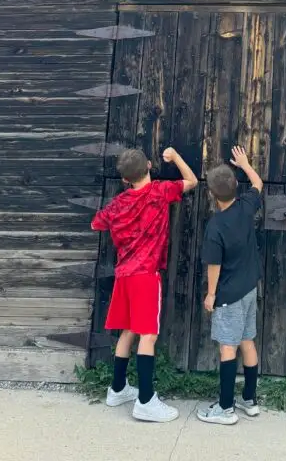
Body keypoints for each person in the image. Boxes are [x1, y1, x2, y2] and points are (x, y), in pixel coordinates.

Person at [91, 146, 198, 423]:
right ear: (149, 165)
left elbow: (96, 224)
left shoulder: (118, 204)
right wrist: (175, 158)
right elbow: (192, 181)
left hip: (124, 275)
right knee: (148, 335)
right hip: (145, 275)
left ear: (125, 180)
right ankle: (146, 401)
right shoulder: (160, 192)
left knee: (127, 331)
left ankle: (117, 388)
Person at [197, 145, 263, 426]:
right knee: (247, 342)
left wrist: (211, 295)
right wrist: (245, 164)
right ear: (236, 185)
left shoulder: (216, 227)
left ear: (212, 194)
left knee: (228, 347)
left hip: (228, 295)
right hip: (249, 289)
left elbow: (214, 266)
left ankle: (224, 408)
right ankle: (250, 400)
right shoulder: (246, 206)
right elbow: (258, 184)